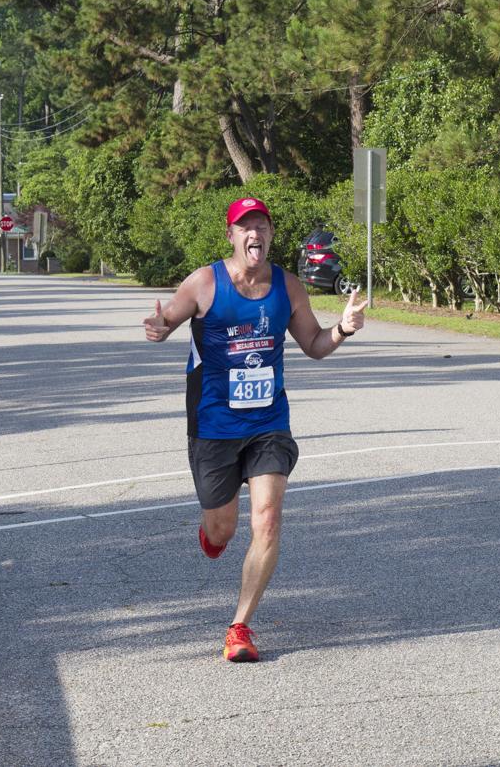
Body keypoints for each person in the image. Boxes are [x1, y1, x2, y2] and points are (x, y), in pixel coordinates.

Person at [143, 197, 367, 663]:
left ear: (269, 234)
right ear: (231, 236)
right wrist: (160, 326)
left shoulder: (288, 286)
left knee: (267, 519)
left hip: (268, 424)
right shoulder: (205, 282)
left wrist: (342, 328)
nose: (254, 234)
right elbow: (168, 320)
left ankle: (239, 626)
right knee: (223, 530)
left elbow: (314, 345)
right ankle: (213, 536)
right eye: (245, 227)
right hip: (213, 425)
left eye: (261, 225)